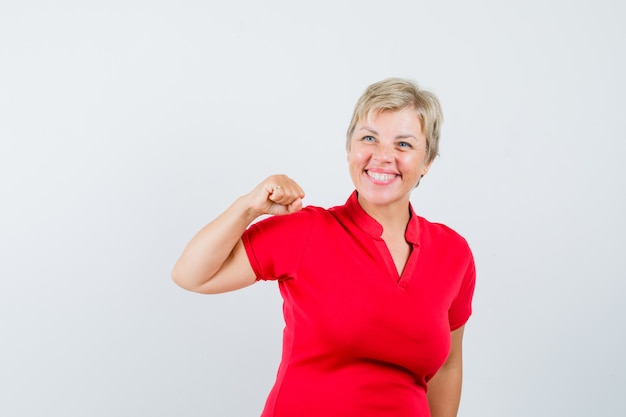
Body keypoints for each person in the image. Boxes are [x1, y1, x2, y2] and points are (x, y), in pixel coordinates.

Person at [172, 78, 476, 417]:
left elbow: (448, 367)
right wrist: (249, 206)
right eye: (369, 138)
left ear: (427, 161)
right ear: (349, 148)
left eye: (403, 144)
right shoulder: (306, 231)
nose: (383, 156)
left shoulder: (453, 253)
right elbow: (191, 275)